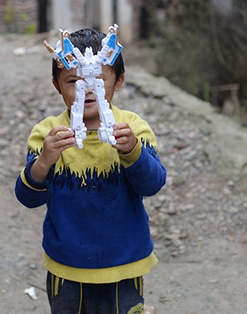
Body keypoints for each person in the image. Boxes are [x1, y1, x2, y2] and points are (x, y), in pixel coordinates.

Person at [15, 27, 166, 314]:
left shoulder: (134, 129)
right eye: (73, 81)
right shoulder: (47, 135)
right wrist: (44, 160)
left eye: (98, 79)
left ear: (118, 81)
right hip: (67, 266)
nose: (86, 89)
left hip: (125, 264)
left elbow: (153, 184)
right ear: (57, 85)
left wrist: (132, 150)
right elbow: (27, 197)